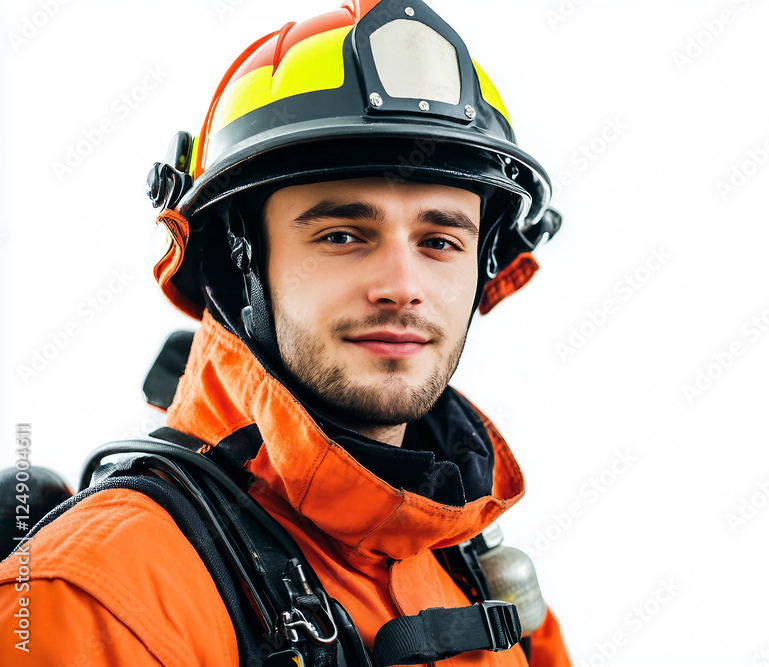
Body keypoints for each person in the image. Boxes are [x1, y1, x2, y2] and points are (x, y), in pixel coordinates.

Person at [0, 1, 570, 665]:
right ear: (238, 265)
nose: (401, 284)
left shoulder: (469, 562)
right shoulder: (98, 603)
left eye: (440, 239)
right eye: (341, 235)